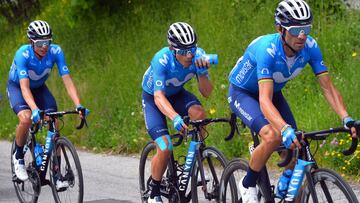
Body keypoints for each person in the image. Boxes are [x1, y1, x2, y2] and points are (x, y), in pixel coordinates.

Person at [227, 0, 358, 202]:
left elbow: (328, 88)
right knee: (273, 136)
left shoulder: (311, 47)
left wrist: (346, 118)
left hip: (273, 93)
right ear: (280, 29)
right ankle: (247, 183)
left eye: (306, 28)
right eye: (296, 29)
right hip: (243, 93)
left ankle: (284, 192)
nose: (303, 35)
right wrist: (284, 128)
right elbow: (264, 100)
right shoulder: (267, 49)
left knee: (296, 147)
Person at [7, 20, 88, 188]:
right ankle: (19, 156)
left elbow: (67, 80)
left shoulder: (56, 51)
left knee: (55, 121)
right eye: (40, 43)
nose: (45, 46)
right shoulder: (23, 54)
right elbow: (24, 87)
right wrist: (35, 109)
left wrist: (78, 104)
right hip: (19, 88)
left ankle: (57, 174)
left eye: (48, 41)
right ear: (31, 42)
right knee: (26, 119)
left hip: (39, 88)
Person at [141, 22, 214, 202]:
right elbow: (159, 97)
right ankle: (154, 192)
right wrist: (174, 118)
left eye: (191, 49)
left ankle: (195, 161)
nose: (189, 55)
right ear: (172, 49)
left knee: (199, 115)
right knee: (165, 146)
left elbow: (207, 92)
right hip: (154, 98)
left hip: (177, 93)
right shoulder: (161, 59)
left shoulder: (199, 56)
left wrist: (203, 73)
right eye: (183, 51)